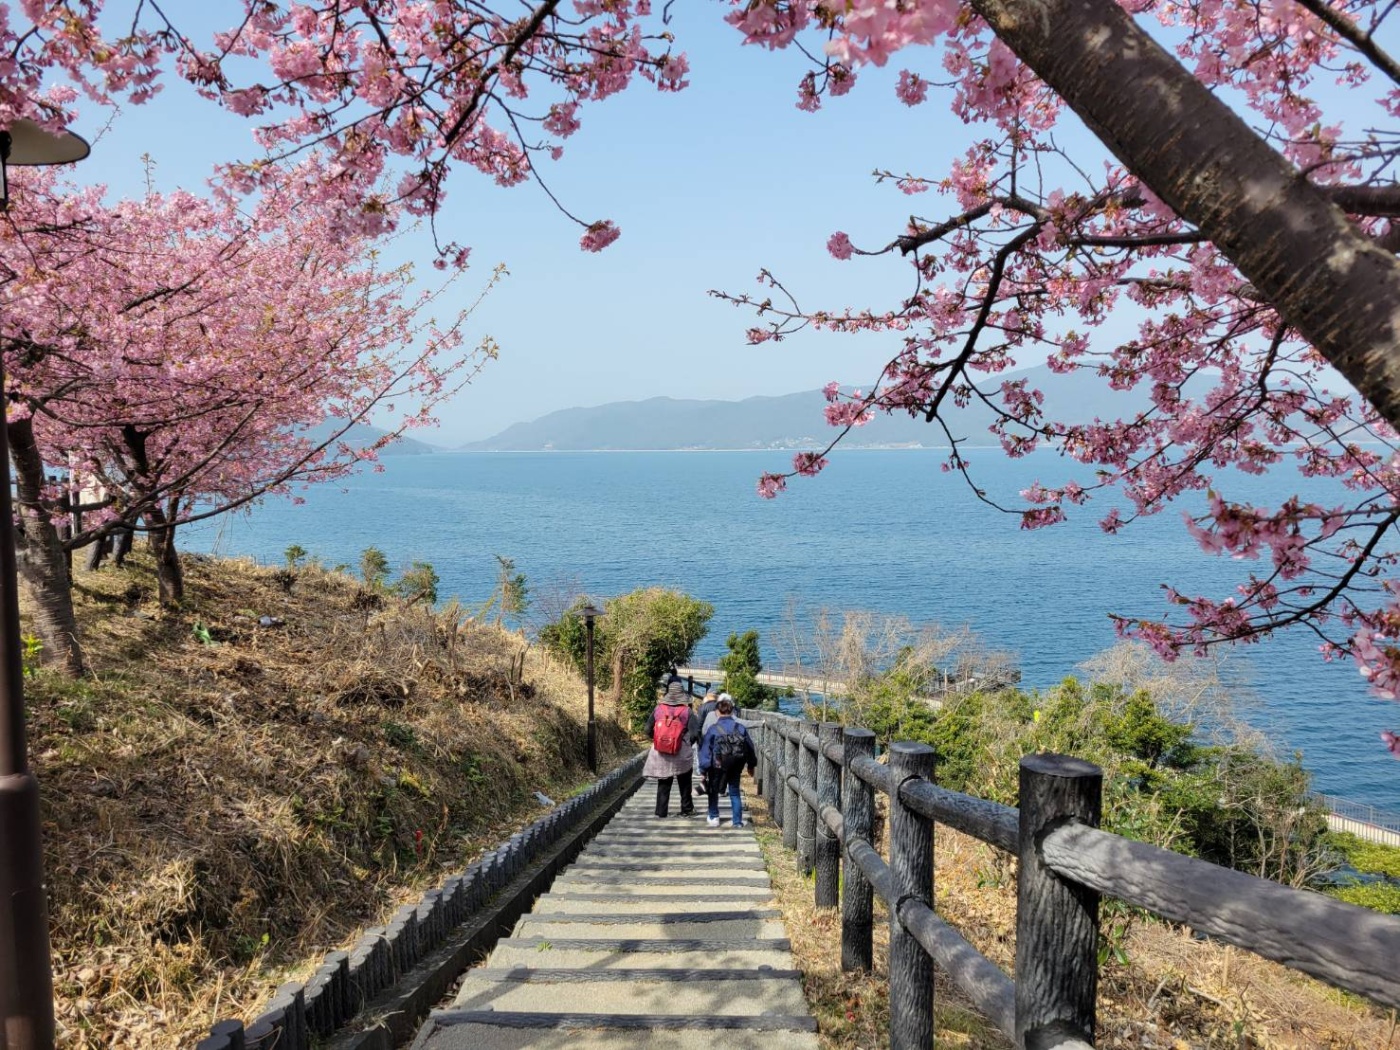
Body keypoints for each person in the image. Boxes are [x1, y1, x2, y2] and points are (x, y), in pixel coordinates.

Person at [642, 678, 701, 817]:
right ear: (682, 696)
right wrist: (687, 743)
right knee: (685, 781)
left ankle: (661, 811)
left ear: (668, 694)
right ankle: (686, 809)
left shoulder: (658, 709)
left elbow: (647, 729)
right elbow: (695, 733)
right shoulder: (687, 711)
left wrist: (657, 739)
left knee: (664, 781)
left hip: (661, 752)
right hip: (682, 751)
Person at [697, 696, 756, 828]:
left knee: (713, 790)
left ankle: (714, 817)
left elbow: (706, 750)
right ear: (732, 712)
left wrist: (703, 769)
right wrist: (751, 765)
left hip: (717, 765)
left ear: (718, 712)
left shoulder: (713, 729)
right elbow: (750, 747)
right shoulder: (740, 728)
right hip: (736, 764)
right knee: (734, 791)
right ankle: (737, 822)